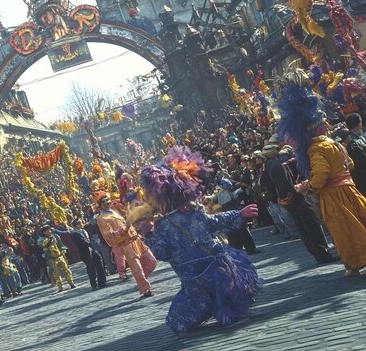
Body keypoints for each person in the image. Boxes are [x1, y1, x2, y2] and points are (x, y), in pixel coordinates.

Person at [138, 146, 263, 335]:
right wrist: (150, 233)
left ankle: (224, 308)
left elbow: (164, 253)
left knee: (179, 322)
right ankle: (223, 307)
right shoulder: (173, 219)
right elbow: (214, 223)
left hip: (206, 269)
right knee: (178, 321)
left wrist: (149, 235)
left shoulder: (173, 219)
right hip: (202, 273)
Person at [276, 69, 366, 277]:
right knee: (360, 221)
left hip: (334, 196)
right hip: (349, 189)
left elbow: (321, 174)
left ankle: (355, 262)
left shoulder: (315, 148)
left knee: (344, 230)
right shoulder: (334, 143)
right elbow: (349, 164)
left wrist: (307, 185)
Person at [95, 192, 157, 297]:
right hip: (126, 244)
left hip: (136, 240)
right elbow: (109, 235)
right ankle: (145, 289)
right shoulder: (102, 219)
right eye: (104, 201)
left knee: (152, 261)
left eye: (107, 200)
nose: (107, 202)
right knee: (137, 268)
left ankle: (141, 280)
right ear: (100, 205)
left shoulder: (114, 211)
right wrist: (125, 229)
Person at [69, 219, 107, 291]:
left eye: (81, 222)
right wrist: (89, 243)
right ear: (75, 225)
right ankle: (94, 284)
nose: (81, 224)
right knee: (91, 268)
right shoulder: (75, 234)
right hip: (85, 252)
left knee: (99, 264)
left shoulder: (84, 230)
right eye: (78, 223)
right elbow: (81, 243)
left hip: (92, 250)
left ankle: (102, 282)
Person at [39, 225, 75, 292]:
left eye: (50, 230)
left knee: (66, 270)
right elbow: (43, 246)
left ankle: (71, 283)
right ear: (44, 232)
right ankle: (60, 286)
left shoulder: (55, 236)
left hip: (60, 256)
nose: (49, 231)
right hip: (52, 258)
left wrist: (63, 249)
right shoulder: (43, 240)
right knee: (56, 273)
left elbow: (60, 244)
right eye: (47, 231)